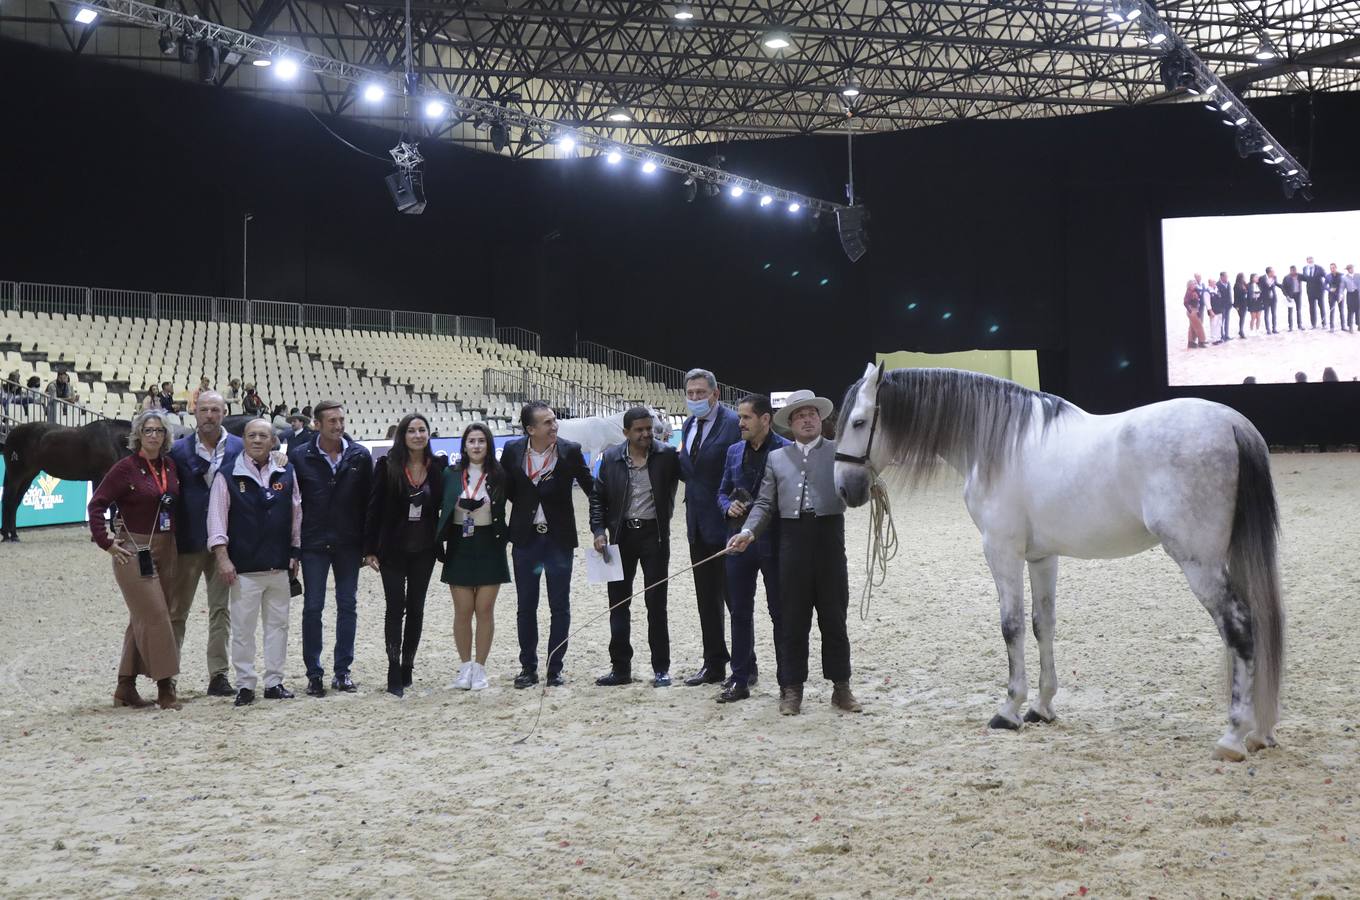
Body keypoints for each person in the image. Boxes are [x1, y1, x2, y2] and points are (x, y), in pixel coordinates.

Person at [727, 390, 859, 716]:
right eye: (800, 415)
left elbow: (858, 485)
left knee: (834, 619)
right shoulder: (777, 458)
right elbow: (764, 504)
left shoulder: (839, 452)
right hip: (792, 543)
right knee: (792, 621)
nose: (807, 419)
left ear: (821, 419)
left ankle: (841, 688)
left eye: (812, 413)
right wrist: (748, 531)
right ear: (791, 423)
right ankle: (792, 689)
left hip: (829, 540)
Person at [88, 410, 183, 711]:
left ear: (166, 436)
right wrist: (106, 542)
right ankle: (166, 685)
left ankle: (124, 687)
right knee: (157, 617)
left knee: (142, 618)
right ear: (138, 435)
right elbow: (96, 505)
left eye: (158, 430)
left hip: (167, 546)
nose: (153, 435)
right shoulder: (124, 468)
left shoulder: (170, 465)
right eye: (148, 430)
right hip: (134, 549)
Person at [207, 418, 301, 706]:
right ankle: (245, 684)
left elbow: (297, 512)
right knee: (243, 629)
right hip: (243, 568)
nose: (257, 440)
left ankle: (274, 682)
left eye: (263, 435)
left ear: (273, 440)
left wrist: (295, 552)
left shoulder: (287, 471)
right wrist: (223, 558)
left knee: (278, 627)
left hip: (279, 565)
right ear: (244, 440)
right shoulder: (227, 474)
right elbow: (217, 519)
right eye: (251, 435)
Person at [500, 401, 594, 689]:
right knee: (526, 607)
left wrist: (602, 526)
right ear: (530, 429)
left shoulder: (570, 451)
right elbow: (503, 491)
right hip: (526, 542)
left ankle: (555, 668)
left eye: (554, 420)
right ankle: (528, 667)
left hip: (558, 541)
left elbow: (593, 489)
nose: (554, 426)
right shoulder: (513, 451)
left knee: (560, 606)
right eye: (547, 423)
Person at [589, 407, 682, 688]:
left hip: (655, 538)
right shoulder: (612, 458)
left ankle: (661, 669)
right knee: (618, 604)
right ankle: (620, 669)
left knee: (657, 605)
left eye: (648, 429)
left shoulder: (666, 456)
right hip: (620, 538)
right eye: (639, 430)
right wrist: (598, 531)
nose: (645, 434)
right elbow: (597, 498)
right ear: (626, 432)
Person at [290, 399, 372, 696]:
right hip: (313, 543)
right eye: (332, 421)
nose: (338, 425)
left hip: (349, 544)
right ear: (317, 424)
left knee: (347, 606)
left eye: (341, 419)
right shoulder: (299, 457)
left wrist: (368, 544)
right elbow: (294, 505)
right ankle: (314, 673)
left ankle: (342, 671)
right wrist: (294, 548)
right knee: (313, 607)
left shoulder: (360, 456)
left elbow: (368, 504)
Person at [364, 413, 448, 697]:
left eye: (422, 430)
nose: (417, 435)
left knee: (416, 608)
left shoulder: (438, 466)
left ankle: (408, 664)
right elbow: (373, 509)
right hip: (393, 548)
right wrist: (369, 549)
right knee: (394, 607)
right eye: (411, 430)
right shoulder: (387, 465)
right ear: (402, 435)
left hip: (424, 548)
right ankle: (392, 667)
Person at [167, 390, 243, 697]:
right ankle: (168, 675)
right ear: (194, 413)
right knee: (177, 612)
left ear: (224, 413)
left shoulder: (240, 447)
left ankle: (219, 674)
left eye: (215, 410)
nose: (209, 415)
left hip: (225, 543)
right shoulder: (178, 450)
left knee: (221, 611)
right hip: (188, 542)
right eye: (204, 410)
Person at [714, 394, 789, 703]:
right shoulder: (733, 452)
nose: (740, 423)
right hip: (737, 544)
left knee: (779, 614)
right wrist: (726, 506)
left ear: (765, 420)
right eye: (740, 418)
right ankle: (740, 678)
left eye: (746, 418)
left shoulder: (786, 450)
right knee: (740, 613)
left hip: (775, 544)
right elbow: (720, 492)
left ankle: (788, 681)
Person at [678, 367, 741, 686]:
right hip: (697, 527)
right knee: (707, 599)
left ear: (715, 394)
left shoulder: (732, 424)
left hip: (728, 524)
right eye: (690, 394)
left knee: (735, 600)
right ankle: (714, 663)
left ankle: (745, 667)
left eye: (701, 393)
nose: (695, 399)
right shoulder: (688, 424)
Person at [436, 422, 511, 692]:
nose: (477, 445)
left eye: (481, 441)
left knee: (485, 610)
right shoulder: (450, 473)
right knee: (463, 611)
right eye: (472, 441)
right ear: (464, 446)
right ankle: (465, 666)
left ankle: (480, 668)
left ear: (488, 445)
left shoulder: (499, 474)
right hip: (460, 543)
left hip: (489, 543)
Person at [1183, 280, 1208, 348]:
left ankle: (1191, 342)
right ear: (1190, 285)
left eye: (1195, 284)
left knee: (1192, 327)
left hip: (1195, 310)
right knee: (1199, 326)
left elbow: (1199, 296)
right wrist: (1190, 310)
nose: (1195, 285)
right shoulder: (1189, 292)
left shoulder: (1194, 291)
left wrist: (1196, 289)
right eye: (1194, 284)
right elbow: (1185, 302)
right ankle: (1201, 342)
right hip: (1192, 310)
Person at [1303, 256, 1325, 329]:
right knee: (1312, 308)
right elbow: (1305, 278)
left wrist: (1327, 286)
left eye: (1311, 260)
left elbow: (1326, 276)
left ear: (1313, 260)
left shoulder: (1319, 268)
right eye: (1309, 260)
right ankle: (1313, 324)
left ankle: (1324, 324)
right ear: (1307, 261)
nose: (1310, 261)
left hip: (1319, 290)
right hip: (1310, 291)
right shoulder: (1305, 268)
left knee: (1321, 307)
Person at [1210, 272, 1232, 344]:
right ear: (1221, 277)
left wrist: (1231, 303)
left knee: (1227, 321)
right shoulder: (1218, 285)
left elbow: (1230, 294)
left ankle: (1226, 335)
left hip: (1228, 305)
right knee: (1221, 322)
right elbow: (1217, 297)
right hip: (1221, 306)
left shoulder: (1228, 283)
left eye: (1227, 277)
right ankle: (1221, 336)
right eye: (1225, 277)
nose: (1227, 278)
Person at [1282, 265, 1303, 331]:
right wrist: (1286, 296)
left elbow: (1307, 279)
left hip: (1298, 295)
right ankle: (1290, 327)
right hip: (1290, 296)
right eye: (1292, 270)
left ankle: (1299, 325)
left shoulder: (1299, 276)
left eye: (1295, 270)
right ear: (1290, 270)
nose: (1294, 271)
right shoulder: (1286, 277)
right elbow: (1283, 288)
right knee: (1290, 311)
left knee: (1298, 310)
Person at [1260, 267, 1280, 335]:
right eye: (1273, 272)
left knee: (1274, 314)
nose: (1274, 273)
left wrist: (1284, 287)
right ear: (1269, 272)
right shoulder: (1262, 278)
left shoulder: (1274, 277)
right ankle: (1268, 330)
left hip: (1273, 298)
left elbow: (1277, 284)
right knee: (1266, 314)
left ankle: (1274, 329)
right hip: (1265, 298)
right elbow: (1259, 287)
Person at [1326, 263, 1344, 331]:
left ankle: (1343, 326)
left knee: (1341, 311)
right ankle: (1332, 327)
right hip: (1331, 295)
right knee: (1332, 311)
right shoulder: (1328, 276)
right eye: (1331, 268)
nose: (1332, 269)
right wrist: (1329, 289)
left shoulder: (1342, 275)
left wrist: (1341, 294)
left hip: (1340, 295)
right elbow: (1324, 285)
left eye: (1333, 268)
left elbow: (1343, 285)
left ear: (1336, 268)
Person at [1344, 264, 1360, 333]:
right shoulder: (1345, 277)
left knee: (1358, 310)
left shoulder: (1358, 275)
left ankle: (1359, 325)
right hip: (1350, 294)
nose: (1350, 269)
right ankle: (1350, 326)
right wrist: (1341, 294)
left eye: (1351, 268)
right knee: (1350, 310)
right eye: (1349, 269)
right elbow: (1342, 287)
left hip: (1357, 294)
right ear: (1347, 270)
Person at [1232, 273, 1249, 339]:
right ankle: (1241, 331)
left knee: (1242, 318)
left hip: (1244, 303)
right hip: (1239, 304)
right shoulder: (1237, 285)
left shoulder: (1244, 284)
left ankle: (1241, 330)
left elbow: (1248, 289)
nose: (1244, 278)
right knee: (1241, 317)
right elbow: (1237, 295)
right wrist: (1236, 306)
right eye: (1243, 277)